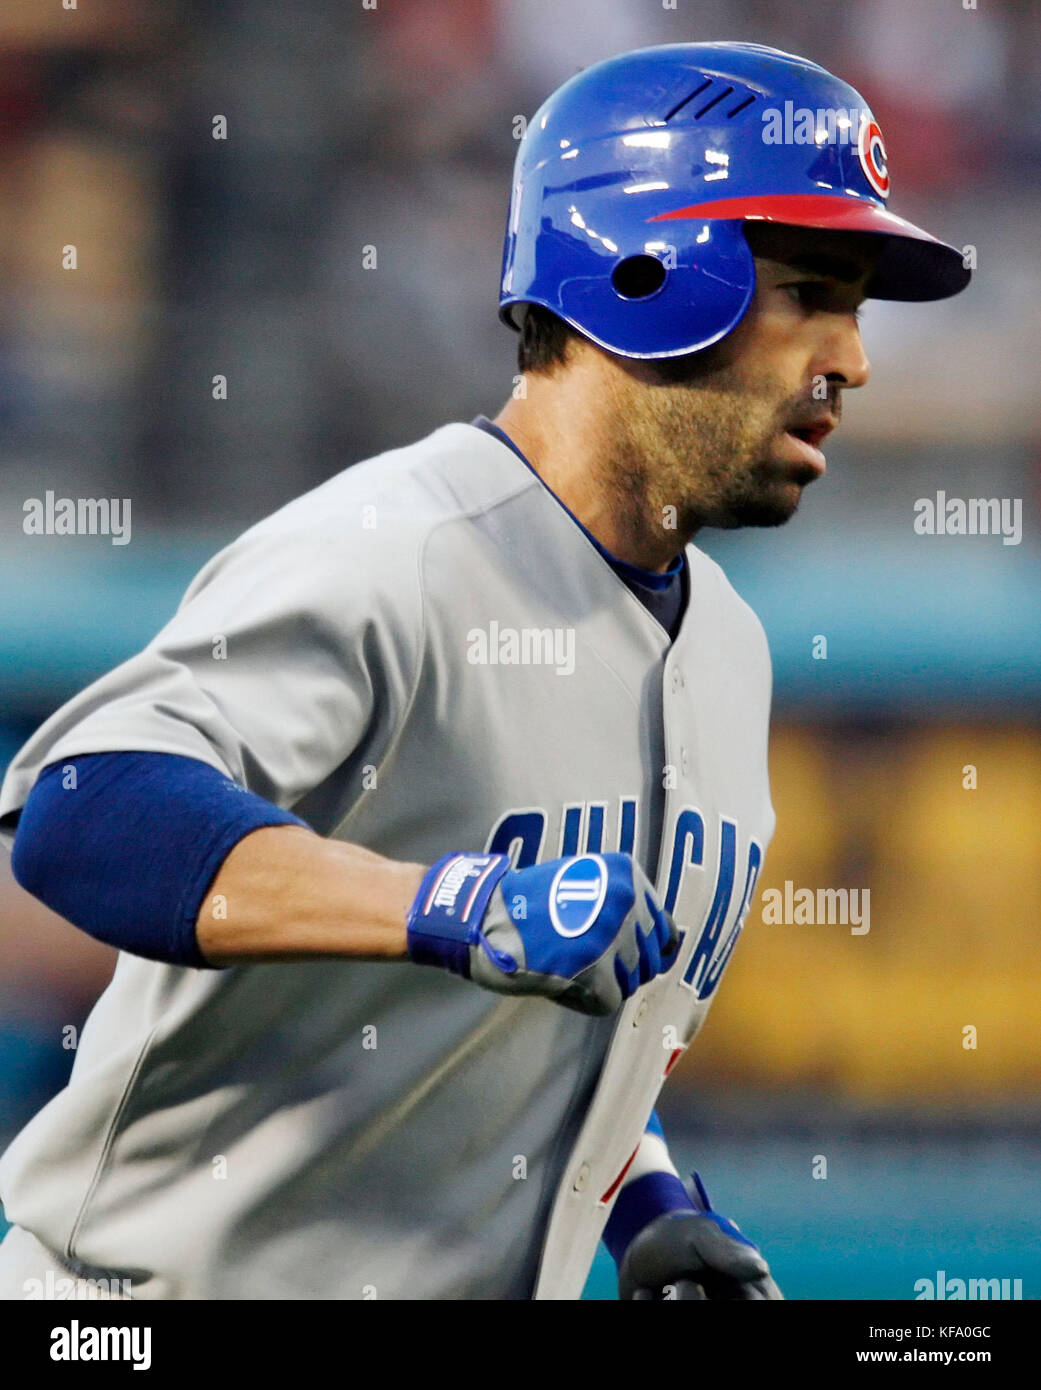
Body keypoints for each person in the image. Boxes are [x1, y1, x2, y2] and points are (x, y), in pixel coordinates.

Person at [0, 41, 969, 1301]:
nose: (852, 356)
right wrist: (449, 905)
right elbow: (85, 809)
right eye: (812, 289)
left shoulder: (729, 650)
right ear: (645, 270)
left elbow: (541, 1028)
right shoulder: (395, 546)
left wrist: (654, 1210)